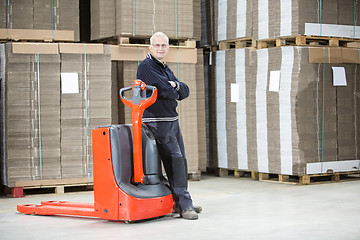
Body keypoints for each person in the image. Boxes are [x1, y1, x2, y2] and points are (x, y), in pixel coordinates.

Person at [136, 32, 201, 220]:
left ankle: (180, 202)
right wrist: (174, 87)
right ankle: (184, 205)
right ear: (150, 47)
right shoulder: (147, 66)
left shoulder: (163, 67)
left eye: (163, 45)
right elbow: (167, 91)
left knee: (181, 162)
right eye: (157, 45)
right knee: (175, 162)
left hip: (171, 120)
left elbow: (184, 91)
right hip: (157, 122)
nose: (160, 48)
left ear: (168, 47)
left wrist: (175, 86)